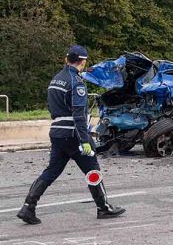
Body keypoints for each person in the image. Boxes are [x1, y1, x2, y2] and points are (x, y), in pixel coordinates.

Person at [16, 45, 126, 225]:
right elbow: (78, 114)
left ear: (67, 59)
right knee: (92, 170)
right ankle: (103, 207)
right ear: (82, 61)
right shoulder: (76, 82)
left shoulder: (55, 79)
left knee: (51, 171)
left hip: (57, 132)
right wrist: (85, 140)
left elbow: (52, 108)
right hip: (73, 134)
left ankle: (28, 206)